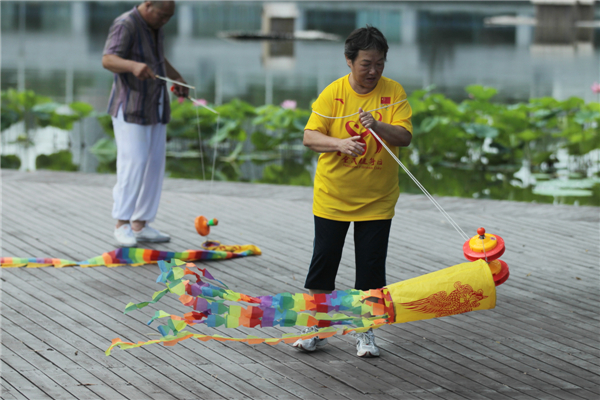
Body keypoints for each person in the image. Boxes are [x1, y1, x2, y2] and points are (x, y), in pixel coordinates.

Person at [293, 26, 413, 357]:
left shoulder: (394, 93)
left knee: (371, 268)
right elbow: (309, 137)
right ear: (349, 61)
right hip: (333, 197)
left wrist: (378, 125)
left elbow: (404, 137)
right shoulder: (333, 93)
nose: (374, 71)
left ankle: (365, 331)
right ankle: (317, 325)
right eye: (366, 64)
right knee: (324, 262)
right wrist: (339, 144)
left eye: (380, 63)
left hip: (377, 200)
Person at [102, 1, 189, 247]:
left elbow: (156, 57)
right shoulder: (125, 24)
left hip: (156, 104)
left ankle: (141, 223)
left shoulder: (155, 24)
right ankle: (122, 224)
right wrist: (132, 66)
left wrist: (176, 77)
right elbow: (108, 59)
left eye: (169, 18)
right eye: (162, 16)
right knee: (134, 163)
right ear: (148, 4)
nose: (165, 21)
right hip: (131, 106)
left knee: (154, 164)